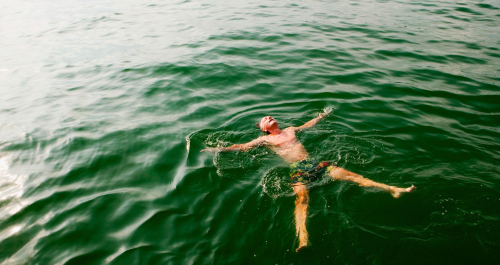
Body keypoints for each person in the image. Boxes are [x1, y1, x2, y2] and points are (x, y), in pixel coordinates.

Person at [201, 110, 416, 252]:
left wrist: (321, 116)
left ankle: (393, 189)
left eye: (270, 116)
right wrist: (216, 148)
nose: (269, 117)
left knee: (354, 176)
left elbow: (308, 125)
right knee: (302, 199)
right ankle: (303, 237)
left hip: (315, 163)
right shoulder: (265, 139)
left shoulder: (290, 129)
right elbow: (241, 147)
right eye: (266, 119)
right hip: (298, 170)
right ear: (264, 128)